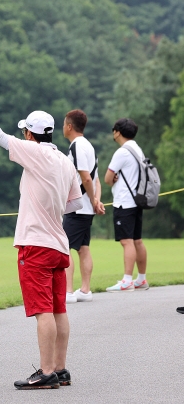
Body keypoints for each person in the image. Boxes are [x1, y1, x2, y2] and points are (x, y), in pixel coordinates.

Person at [0, 86, 82, 389]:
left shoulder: (34, 153)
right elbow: (75, 204)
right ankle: (60, 368)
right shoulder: (65, 161)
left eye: (25, 132)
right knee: (59, 308)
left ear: (30, 135)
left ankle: (45, 372)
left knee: (42, 310)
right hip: (59, 245)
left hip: (36, 244)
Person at [62, 110, 105, 303]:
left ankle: (69, 291)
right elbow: (96, 180)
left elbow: (86, 176)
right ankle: (85, 290)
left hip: (77, 207)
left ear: (69, 126)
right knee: (83, 248)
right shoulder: (89, 146)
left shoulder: (77, 146)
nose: (62, 127)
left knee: (66, 247)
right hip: (86, 208)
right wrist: (96, 200)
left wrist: (94, 200)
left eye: (64, 124)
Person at [104, 118, 149, 292]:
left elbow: (108, 178)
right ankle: (141, 279)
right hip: (137, 201)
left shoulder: (122, 152)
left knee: (126, 241)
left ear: (118, 132)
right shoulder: (137, 149)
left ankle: (127, 280)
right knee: (137, 240)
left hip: (124, 202)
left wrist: (113, 179)